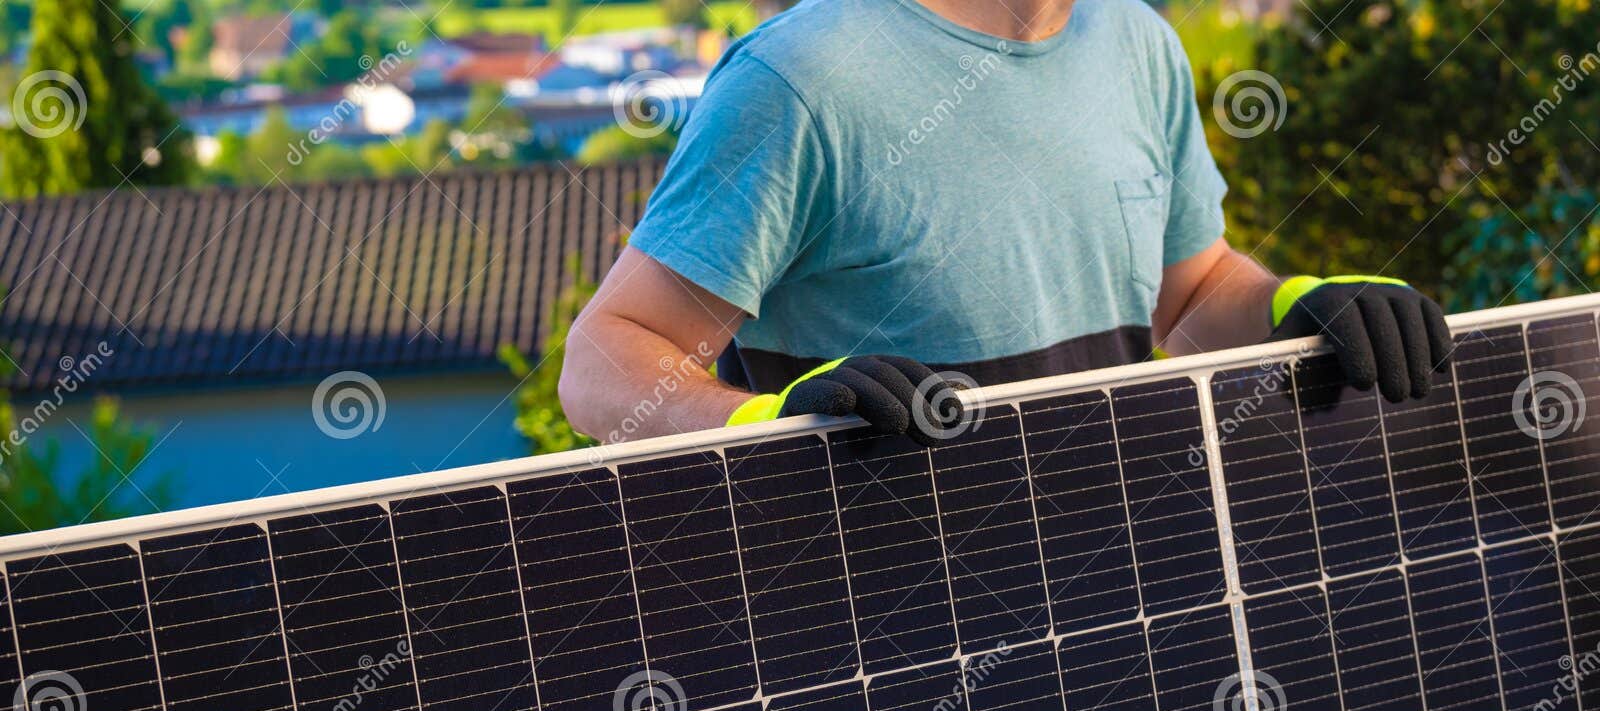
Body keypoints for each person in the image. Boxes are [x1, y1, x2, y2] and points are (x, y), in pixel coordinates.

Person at [559, 0, 1451, 447]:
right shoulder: (802, 77)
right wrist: (768, 425)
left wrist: (1303, 303)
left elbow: (1191, 288)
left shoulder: (1137, 40)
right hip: (887, 650)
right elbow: (604, 358)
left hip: (1122, 590)